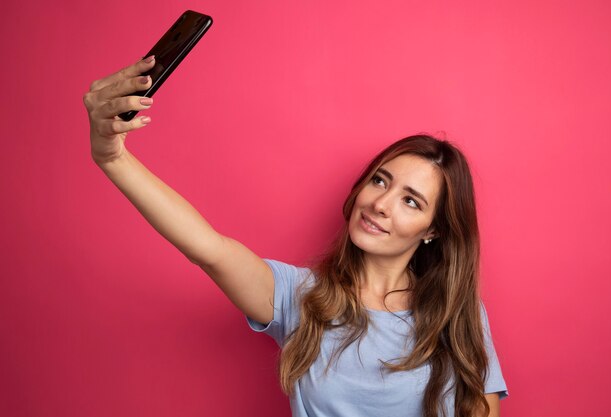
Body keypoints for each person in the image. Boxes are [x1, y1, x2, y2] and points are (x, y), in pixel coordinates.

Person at [83, 56, 508, 417]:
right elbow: (207, 246)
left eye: (411, 201)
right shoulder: (302, 297)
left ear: (434, 229)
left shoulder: (459, 313)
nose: (381, 203)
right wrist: (113, 158)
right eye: (380, 181)